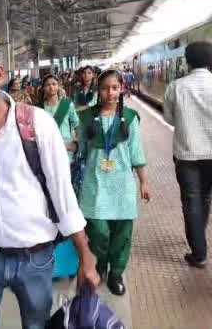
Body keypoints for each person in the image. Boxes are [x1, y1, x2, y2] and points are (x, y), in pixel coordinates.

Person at [0, 33, 98, 329]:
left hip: (35, 258)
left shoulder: (37, 124)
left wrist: (85, 255)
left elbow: (63, 196)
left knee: (36, 324)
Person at [163, 40, 212, 268]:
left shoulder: (175, 87)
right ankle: (199, 234)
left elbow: (169, 119)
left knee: (191, 199)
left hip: (186, 153)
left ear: (187, 61)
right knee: (205, 194)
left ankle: (199, 253)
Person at [75, 69, 149, 296]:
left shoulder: (130, 117)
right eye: (105, 88)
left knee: (122, 234)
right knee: (98, 230)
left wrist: (143, 182)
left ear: (121, 89)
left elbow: (136, 152)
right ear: (98, 90)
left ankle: (116, 273)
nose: (110, 92)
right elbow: (79, 149)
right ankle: (100, 263)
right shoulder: (86, 117)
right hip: (94, 184)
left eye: (114, 87)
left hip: (122, 185)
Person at [38, 74, 79, 156]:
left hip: (66, 147)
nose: (51, 87)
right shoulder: (39, 107)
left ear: (58, 86)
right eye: (47, 85)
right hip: (48, 149)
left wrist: (76, 143)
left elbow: (76, 124)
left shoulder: (66, 104)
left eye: (54, 84)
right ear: (43, 88)